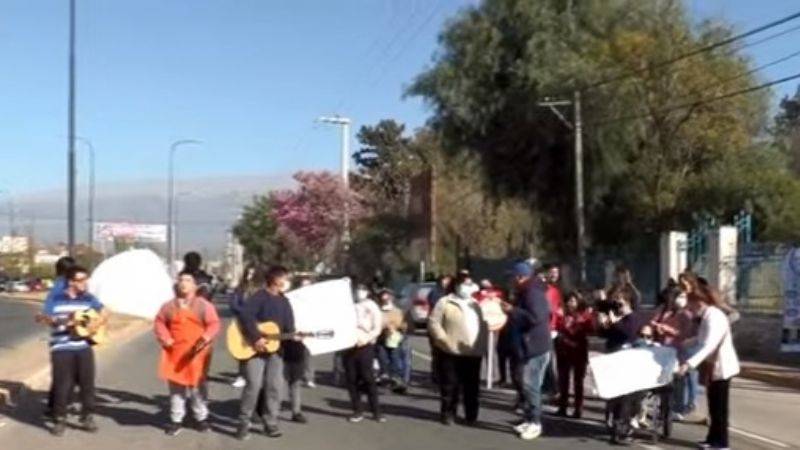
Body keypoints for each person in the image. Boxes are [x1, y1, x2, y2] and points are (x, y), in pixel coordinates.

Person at [41, 265, 109, 436]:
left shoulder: (88, 298)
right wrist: (60, 321)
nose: (84, 283)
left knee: (87, 384)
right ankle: (60, 418)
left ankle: (87, 416)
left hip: (83, 346)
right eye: (80, 280)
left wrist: (97, 322)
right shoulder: (55, 298)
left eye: (86, 280)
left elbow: (105, 311)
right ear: (70, 282)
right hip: (61, 346)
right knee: (63, 384)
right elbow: (47, 318)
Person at [678, 272, 740, 450]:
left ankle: (721, 443)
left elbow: (708, 346)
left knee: (720, 408)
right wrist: (687, 342)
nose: (690, 309)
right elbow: (701, 338)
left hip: (722, 367)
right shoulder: (706, 316)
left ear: (699, 302)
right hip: (713, 367)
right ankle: (712, 439)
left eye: (691, 305)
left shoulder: (714, 317)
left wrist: (688, 364)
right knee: (713, 405)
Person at [154, 270, 221, 436]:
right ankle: (176, 419)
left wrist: (204, 339)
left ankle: (201, 417)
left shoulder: (203, 305)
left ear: (195, 285)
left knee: (197, 386)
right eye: (181, 280)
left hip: (197, 352)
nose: (183, 283)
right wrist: (165, 337)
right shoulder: (168, 306)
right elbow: (159, 322)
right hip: (175, 352)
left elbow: (214, 324)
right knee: (176, 387)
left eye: (188, 280)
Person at [236, 266, 297, 440]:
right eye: (285, 278)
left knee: (274, 387)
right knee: (253, 386)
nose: (287, 282)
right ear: (276, 279)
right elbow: (245, 316)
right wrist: (256, 337)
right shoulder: (260, 297)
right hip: (254, 350)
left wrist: (295, 336)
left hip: (275, 352)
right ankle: (244, 422)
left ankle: (270, 422)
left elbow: (289, 328)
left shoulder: (285, 302)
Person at [428, 272, 487, 426]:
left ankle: (471, 415)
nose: (466, 288)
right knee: (450, 385)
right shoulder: (445, 302)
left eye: (469, 284)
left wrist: (482, 344)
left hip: (473, 351)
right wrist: (443, 339)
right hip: (450, 350)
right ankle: (448, 413)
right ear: (456, 285)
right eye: (463, 284)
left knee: (472, 386)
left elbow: (485, 325)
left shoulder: (476, 304)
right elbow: (434, 323)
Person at [501, 261, 551, 441]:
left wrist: (513, 311)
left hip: (535, 345)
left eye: (512, 277)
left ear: (519, 277)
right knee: (527, 383)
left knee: (531, 385)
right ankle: (529, 418)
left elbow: (536, 318)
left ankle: (536, 422)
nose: (511, 281)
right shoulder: (528, 291)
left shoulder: (532, 293)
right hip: (530, 345)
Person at [598, 290, 643, 445]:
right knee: (615, 395)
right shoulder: (617, 316)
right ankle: (614, 423)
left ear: (628, 302)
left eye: (620, 302)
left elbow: (627, 332)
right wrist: (604, 324)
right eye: (615, 301)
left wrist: (615, 322)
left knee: (625, 397)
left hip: (625, 360)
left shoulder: (633, 318)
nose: (617, 304)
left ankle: (622, 428)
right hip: (613, 357)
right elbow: (605, 334)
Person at [650, 283, 694, 419]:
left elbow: (688, 333)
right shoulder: (663, 310)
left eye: (682, 296)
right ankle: (662, 407)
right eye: (677, 296)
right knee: (662, 379)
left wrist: (670, 331)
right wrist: (656, 326)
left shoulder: (686, 314)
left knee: (678, 380)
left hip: (678, 350)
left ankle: (678, 408)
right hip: (662, 348)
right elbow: (652, 321)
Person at [344, 284, 385, 423]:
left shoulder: (371, 306)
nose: (359, 293)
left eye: (362, 290)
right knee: (351, 379)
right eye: (357, 290)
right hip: (349, 347)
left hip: (365, 346)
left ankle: (376, 411)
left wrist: (366, 339)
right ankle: (357, 410)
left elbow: (377, 328)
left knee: (368, 379)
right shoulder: (348, 305)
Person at [42, 256, 76, 420]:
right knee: (67, 375)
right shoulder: (62, 287)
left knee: (62, 374)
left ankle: (54, 406)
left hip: (62, 335)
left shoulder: (59, 286)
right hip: (67, 335)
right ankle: (60, 407)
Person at [554, 291, 593, 419]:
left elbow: (590, 329)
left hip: (579, 351)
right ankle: (562, 406)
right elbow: (556, 327)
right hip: (563, 351)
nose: (570, 303)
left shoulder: (584, 316)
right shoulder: (562, 315)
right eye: (568, 301)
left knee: (578, 382)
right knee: (563, 380)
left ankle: (578, 409)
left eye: (573, 301)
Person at [229, 265, 260, 389]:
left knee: (256, 349)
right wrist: (244, 312)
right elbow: (233, 304)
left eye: (252, 274)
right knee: (241, 348)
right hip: (242, 321)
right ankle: (241, 375)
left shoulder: (260, 290)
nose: (249, 276)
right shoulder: (240, 289)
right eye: (248, 273)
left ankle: (254, 375)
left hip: (258, 322)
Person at [376, 289, 411, 393]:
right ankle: (384, 374)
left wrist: (396, 327)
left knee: (395, 356)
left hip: (394, 339)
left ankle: (395, 377)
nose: (385, 299)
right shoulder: (378, 311)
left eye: (387, 297)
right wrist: (384, 327)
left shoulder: (397, 311)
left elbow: (402, 324)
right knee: (382, 355)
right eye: (383, 297)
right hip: (381, 339)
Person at [427, 274, 453, 384]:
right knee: (437, 351)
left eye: (449, 280)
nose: (446, 282)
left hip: (448, 325)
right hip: (437, 323)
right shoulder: (435, 292)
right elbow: (435, 305)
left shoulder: (451, 293)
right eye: (445, 280)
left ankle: (446, 374)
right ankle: (436, 374)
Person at [542, 263, 562, 403]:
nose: (555, 275)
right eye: (552, 272)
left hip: (554, 329)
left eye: (557, 272)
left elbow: (558, 309)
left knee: (549, 360)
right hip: (543, 328)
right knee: (545, 359)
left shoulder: (556, 291)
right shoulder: (542, 289)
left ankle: (553, 389)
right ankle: (551, 389)